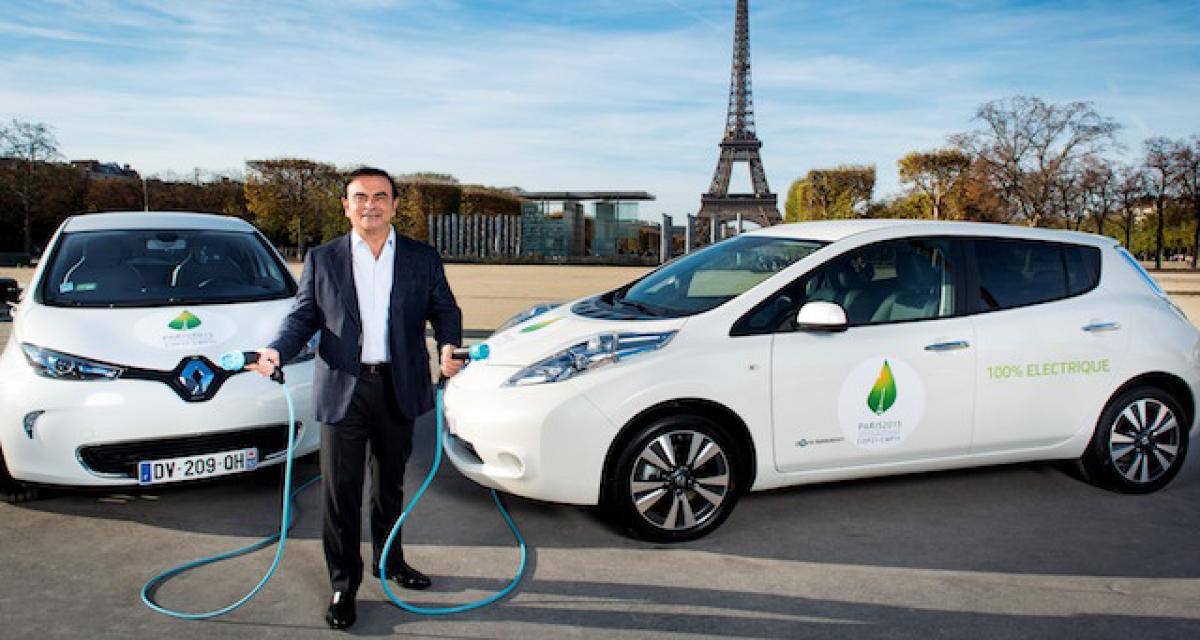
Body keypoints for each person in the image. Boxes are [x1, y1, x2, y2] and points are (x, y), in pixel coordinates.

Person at [248, 167, 463, 630]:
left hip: (398, 384)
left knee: (390, 485)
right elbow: (303, 316)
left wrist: (449, 345)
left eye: (380, 196)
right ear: (346, 206)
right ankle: (344, 583)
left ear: (395, 205)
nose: (371, 205)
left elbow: (445, 308)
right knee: (340, 493)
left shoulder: (421, 257)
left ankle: (390, 561)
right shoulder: (323, 258)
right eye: (360, 197)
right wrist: (276, 350)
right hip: (343, 387)